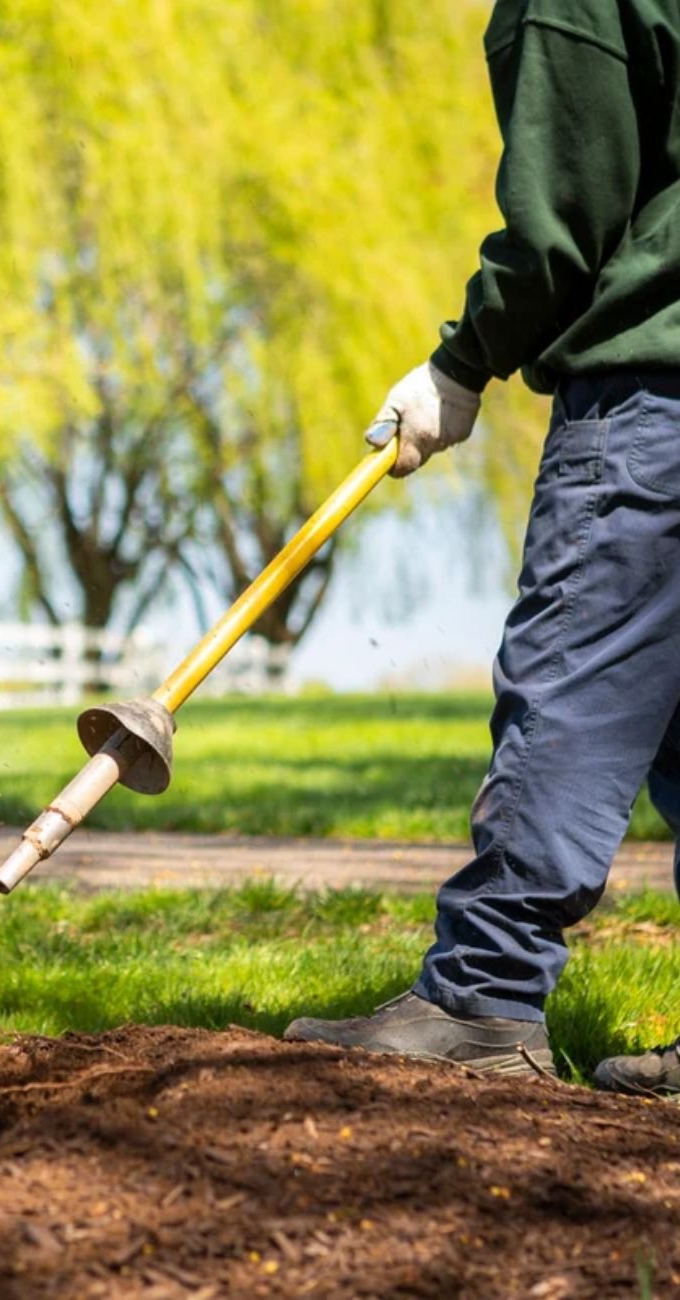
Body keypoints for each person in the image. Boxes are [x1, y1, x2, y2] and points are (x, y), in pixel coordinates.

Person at [284, 0, 680, 1096]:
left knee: (576, 690)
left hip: (657, 404)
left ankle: (480, 997)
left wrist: (460, 365)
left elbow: (564, 220)